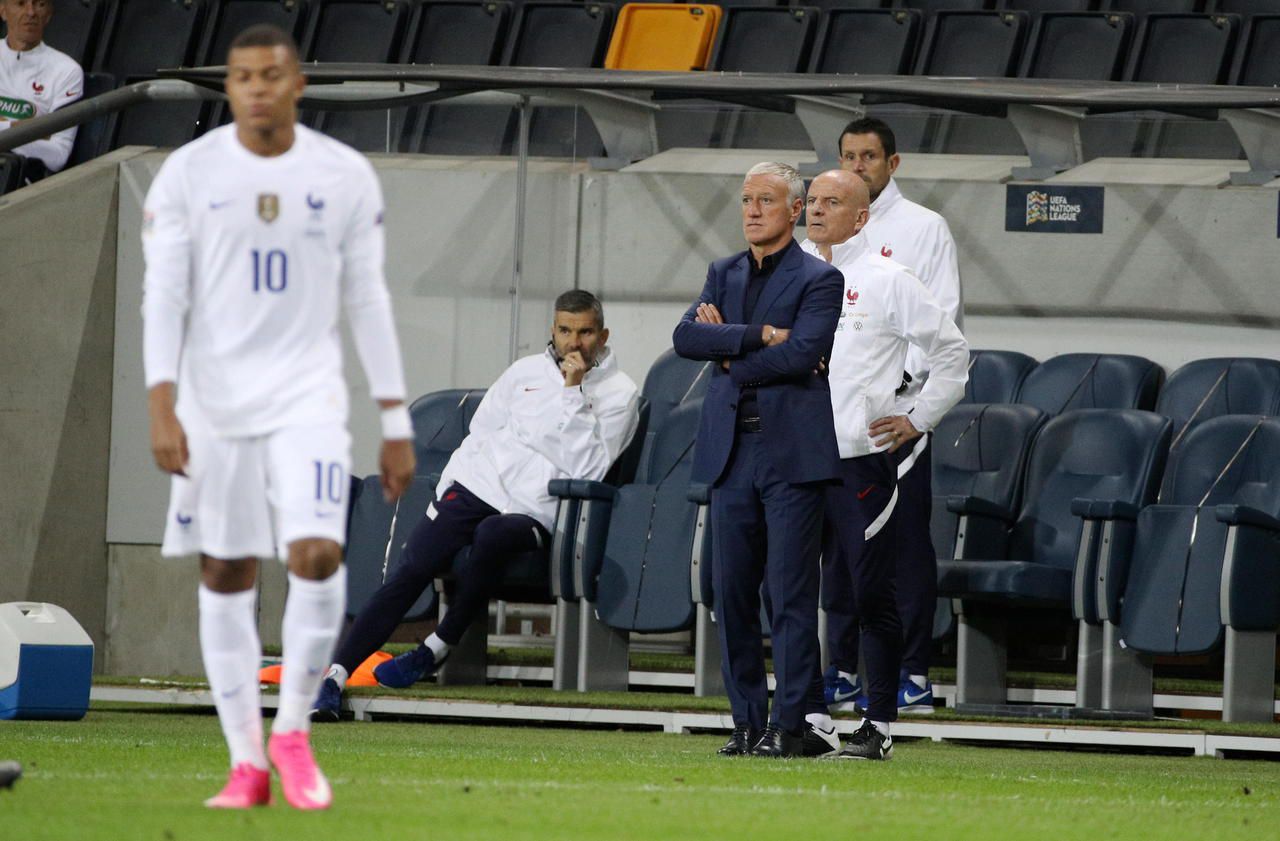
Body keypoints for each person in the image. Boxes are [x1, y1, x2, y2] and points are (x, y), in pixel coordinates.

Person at [142, 24, 414, 811]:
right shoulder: (188, 175)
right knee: (226, 566)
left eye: (271, 74)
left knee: (317, 552)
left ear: (297, 84)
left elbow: (368, 297)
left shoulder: (343, 174)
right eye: (241, 77)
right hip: (213, 401)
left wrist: (394, 417)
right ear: (228, 87)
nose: (256, 87)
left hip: (309, 398)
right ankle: (243, 759)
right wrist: (161, 401)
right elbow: (165, 295)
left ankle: (291, 730)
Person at [312, 290, 641, 717]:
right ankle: (334, 677)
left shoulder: (620, 393)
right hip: (475, 486)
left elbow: (585, 466)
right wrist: (446, 492)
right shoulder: (523, 371)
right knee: (416, 563)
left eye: (584, 332)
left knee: (493, 535)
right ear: (553, 330)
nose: (573, 343)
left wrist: (572, 393)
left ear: (603, 334)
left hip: (535, 508)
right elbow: (481, 434)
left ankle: (437, 645)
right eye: (564, 331)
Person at [673, 162, 844, 758]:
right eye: (746, 199)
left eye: (765, 200)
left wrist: (730, 351)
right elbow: (685, 339)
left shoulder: (819, 278)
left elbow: (802, 356)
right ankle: (746, 723)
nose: (751, 210)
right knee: (732, 595)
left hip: (791, 455)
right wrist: (759, 336)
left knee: (790, 596)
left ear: (793, 210)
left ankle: (788, 723)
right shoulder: (721, 272)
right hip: (731, 451)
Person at [803, 169, 967, 759]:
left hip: (859, 462)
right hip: (797, 464)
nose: (817, 210)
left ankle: (877, 724)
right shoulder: (790, 275)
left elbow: (952, 353)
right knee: (796, 594)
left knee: (869, 593)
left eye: (832, 202)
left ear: (862, 216)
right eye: (813, 200)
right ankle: (806, 721)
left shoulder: (888, 280)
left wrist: (917, 418)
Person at [0, 0, 83, 175]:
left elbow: (58, 156)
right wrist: (25, 129)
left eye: (40, 4)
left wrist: (7, 129)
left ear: (48, 15)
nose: (31, 12)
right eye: (20, 4)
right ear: (3, 11)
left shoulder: (67, 70)